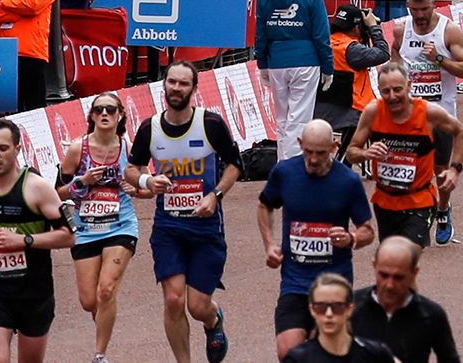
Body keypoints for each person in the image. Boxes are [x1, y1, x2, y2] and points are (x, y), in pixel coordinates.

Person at [129, 58, 244, 363]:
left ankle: (213, 320)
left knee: (197, 306)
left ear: (194, 88)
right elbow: (131, 169)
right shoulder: (149, 128)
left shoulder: (210, 124)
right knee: (172, 298)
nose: (176, 88)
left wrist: (215, 195)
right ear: (163, 85)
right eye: (171, 81)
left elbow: (235, 164)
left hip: (206, 228)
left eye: (183, 83)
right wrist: (147, 180)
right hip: (168, 228)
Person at [260, 119, 375, 359]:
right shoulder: (285, 173)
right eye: (308, 151)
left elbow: (368, 231)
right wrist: (269, 244)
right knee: (287, 352)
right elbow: (265, 205)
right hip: (295, 282)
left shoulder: (348, 182)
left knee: (329, 353)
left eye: (321, 153)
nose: (313, 159)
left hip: (334, 283)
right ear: (300, 144)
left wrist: (350, 238)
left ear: (334, 147)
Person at [0, 118, 73, 363]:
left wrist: (24, 240)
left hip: (33, 293)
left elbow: (70, 236)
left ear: (17, 149)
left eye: (2, 148)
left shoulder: (38, 188)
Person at [385, 0, 463, 248]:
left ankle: (444, 209)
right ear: (407, 6)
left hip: (442, 115)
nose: (420, 15)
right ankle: (416, 216)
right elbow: (395, 60)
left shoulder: (449, 30)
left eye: (424, 9)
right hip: (411, 115)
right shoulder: (402, 29)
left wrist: (438, 59)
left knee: (440, 172)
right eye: (415, 9)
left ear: (434, 4)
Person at [60, 91, 141, 363]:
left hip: (121, 225)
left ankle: (99, 355)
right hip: (85, 229)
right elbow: (57, 192)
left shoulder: (128, 150)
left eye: (110, 109)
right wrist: (82, 182)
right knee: (89, 301)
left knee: (106, 289)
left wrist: (136, 188)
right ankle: (104, 323)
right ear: (92, 116)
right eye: (99, 110)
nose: (104, 114)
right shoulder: (77, 149)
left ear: (120, 116)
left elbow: (145, 187)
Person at [358, 63, 463, 249]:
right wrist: (365, 153)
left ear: (409, 86)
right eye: (386, 91)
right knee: (393, 263)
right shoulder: (373, 112)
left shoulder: (428, 113)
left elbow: (461, 132)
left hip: (419, 201)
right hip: (385, 201)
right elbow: (352, 152)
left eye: (398, 90)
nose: (392, 96)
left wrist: (455, 169)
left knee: (404, 255)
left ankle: (442, 210)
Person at [259, 0, 334, 145]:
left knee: (283, 120)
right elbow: (321, 35)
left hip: (277, 61)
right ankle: (292, 171)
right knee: (299, 120)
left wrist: (262, 63)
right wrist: (328, 66)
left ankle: (284, 167)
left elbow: (261, 32)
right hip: (305, 62)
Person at [348, 237, 460, 363]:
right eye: (384, 275)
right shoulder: (350, 306)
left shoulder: (431, 315)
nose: (389, 285)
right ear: (374, 266)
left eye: (398, 277)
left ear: (414, 272)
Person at [282, 272, 394, 363]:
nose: (329, 313)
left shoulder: (375, 354)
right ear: (312, 310)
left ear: (350, 309)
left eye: (337, 306)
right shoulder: (297, 359)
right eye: (321, 307)